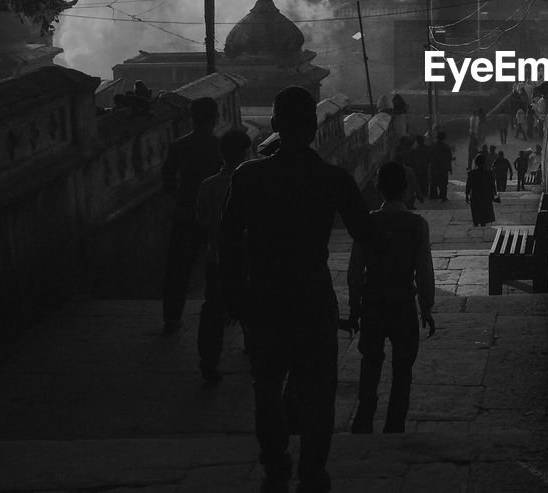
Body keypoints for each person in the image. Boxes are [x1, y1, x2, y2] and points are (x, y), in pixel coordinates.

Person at [219, 86, 385, 493]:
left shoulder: (249, 176)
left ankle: (275, 462)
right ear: (313, 127)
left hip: (264, 298)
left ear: (275, 126)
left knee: (267, 386)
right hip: (312, 296)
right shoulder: (332, 179)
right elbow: (366, 233)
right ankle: (313, 469)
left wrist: (235, 295)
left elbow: (226, 240)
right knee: (318, 392)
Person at [347, 162, 436, 434]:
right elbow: (424, 271)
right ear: (406, 188)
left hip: (373, 303)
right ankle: (394, 424)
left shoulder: (369, 222)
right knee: (402, 368)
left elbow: (354, 270)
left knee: (370, 362)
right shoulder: (417, 224)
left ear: (378, 188)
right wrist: (426, 307)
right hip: (403, 303)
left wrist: (354, 306)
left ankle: (364, 418)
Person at [160, 96, 222, 334]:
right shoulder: (219, 145)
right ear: (215, 117)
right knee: (218, 264)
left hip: (186, 210)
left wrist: (179, 199)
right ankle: (219, 308)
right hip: (215, 212)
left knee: (178, 267)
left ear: (192, 118)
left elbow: (167, 178)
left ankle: (172, 316)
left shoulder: (179, 145)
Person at [193, 127, 251, 383]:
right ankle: (254, 346)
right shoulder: (252, 183)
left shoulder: (208, 186)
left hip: (217, 256)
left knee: (213, 309)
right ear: (246, 152)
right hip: (248, 256)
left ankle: (208, 360)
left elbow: (202, 221)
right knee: (253, 303)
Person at [465, 154, 497, 227]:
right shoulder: (488, 173)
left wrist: (467, 195)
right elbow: (492, 185)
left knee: (475, 211)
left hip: (475, 196)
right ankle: (482, 224)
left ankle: (476, 224)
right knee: (484, 213)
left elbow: (468, 185)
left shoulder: (472, 173)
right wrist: (494, 194)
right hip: (485, 195)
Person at [427, 131, 453, 201]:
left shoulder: (433, 146)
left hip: (434, 167)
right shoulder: (446, 147)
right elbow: (449, 158)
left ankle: (433, 196)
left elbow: (428, 156)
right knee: (443, 184)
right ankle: (443, 196)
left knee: (433, 183)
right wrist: (450, 168)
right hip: (443, 168)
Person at [409, 135, 430, 202]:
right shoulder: (428, 148)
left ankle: (421, 193)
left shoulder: (414, 150)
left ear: (417, 142)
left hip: (418, 169)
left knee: (419, 181)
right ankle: (425, 193)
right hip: (425, 168)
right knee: (425, 181)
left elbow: (412, 161)